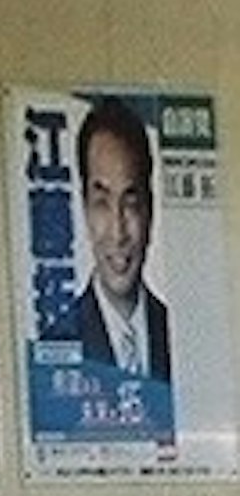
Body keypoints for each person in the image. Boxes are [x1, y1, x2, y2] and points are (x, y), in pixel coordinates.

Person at [58, 93, 177, 416]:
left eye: (131, 202)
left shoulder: (178, 335)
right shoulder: (58, 342)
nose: (118, 231)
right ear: (83, 207)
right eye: (102, 203)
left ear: (150, 210)